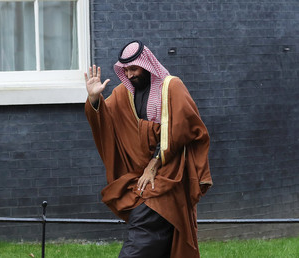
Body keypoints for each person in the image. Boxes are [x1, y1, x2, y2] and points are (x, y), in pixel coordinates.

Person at [84, 40, 212, 258]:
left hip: (168, 174)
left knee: (143, 233)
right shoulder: (123, 93)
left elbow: (184, 128)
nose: (130, 74)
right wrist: (94, 98)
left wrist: (155, 162)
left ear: (147, 64)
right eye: (126, 70)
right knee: (161, 240)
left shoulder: (171, 86)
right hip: (140, 177)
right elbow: (105, 121)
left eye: (134, 68)